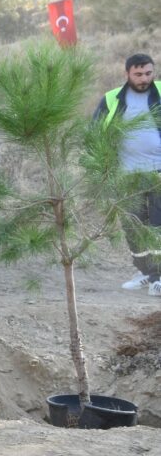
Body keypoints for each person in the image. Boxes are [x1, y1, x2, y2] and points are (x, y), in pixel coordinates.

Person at [92, 53, 161, 295]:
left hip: (158, 172)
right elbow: (95, 132)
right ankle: (145, 272)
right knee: (133, 226)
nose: (144, 79)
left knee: (157, 225)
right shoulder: (112, 99)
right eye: (138, 74)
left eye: (148, 73)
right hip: (126, 175)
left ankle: (158, 277)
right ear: (127, 74)